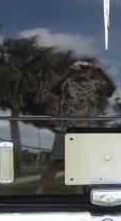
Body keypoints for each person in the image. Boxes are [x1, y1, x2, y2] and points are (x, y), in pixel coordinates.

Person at [35, 61, 116, 194]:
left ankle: (78, 194)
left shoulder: (95, 84)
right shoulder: (68, 83)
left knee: (82, 164)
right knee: (55, 161)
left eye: (86, 68)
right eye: (81, 67)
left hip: (87, 130)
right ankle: (39, 191)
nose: (84, 70)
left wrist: (102, 72)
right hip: (65, 129)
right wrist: (69, 72)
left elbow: (111, 89)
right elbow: (53, 89)